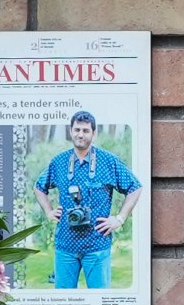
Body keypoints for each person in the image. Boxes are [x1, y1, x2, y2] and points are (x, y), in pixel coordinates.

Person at [32, 111, 140, 289]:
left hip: (97, 245)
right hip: (65, 245)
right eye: (77, 130)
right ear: (71, 131)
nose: (80, 134)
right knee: (65, 301)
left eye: (85, 130)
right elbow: (39, 187)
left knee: (100, 300)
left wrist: (119, 219)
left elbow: (135, 187)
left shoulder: (108, 161)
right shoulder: (59, 162)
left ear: (94, 133)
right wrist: (49, 211)